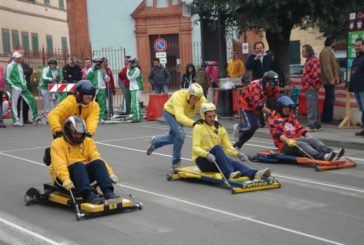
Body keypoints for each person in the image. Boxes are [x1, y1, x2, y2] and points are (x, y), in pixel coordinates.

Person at [49, 116, 118, 204]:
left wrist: (110, 173)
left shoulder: (88, 141)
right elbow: (59, 164)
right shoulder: (57, 143)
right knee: (79, 165)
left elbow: (96, 158)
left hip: (82, 174)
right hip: (64, 178)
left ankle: (108, 192)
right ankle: (88, 195)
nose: (78, 136)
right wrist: (65, 179)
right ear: (68, 132)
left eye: (80, 133)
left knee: (98, 163)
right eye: (75, 133)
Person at [193, 102, 271, 180]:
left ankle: (255, 174)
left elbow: (228, 147)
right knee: (217, 147)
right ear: (204, 116)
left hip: (215, 160)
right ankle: (228, 174)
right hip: (202, 160)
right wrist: (207, 154)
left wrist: (238, 154)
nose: (212, 118)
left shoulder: (220, 128)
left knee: (234, 163)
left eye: (214, 116)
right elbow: (195, 148)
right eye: (209, 116)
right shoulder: (198, 127)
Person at [146, 83, 208, 169]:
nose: (196, 101)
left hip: (183, 116)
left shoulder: (202, 100)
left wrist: (214, 124)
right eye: (194, 99)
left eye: (198, 99)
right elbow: (179, 117)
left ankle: (155, 142)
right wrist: (194, 123)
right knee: (180, 135)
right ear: (189, 95)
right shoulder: (178, 96)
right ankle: (176, 163)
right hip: (170, 113)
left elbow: (209, 111)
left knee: (175, 137)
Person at [268, 96, 344, 161]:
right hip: (284, 144)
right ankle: (323, 156)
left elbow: (300, 128)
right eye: (285, 107)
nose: (287, 109)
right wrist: (288, 140)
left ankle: (332, 152)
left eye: (288, 107)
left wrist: (309, 136)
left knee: (314, 140)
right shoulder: (273, 119)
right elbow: (277, 133)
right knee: (303, 144)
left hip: (296, 138)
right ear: (279, 108)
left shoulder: (291, 116)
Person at [233, 71, 280, 149]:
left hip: (257, 104)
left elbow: (277, 99)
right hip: (246, 104)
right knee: (250, 126)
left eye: (273, 85)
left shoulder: (274, 87)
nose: (271, 87)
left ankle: (238, 145)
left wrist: (281, 110)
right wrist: (272, 113)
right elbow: (258, 105)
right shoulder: (256, 86)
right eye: (270, 84)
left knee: (255, 127)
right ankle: (238, 127)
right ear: (265, 81)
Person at [4, 51, 40, 126]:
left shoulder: (20, 65)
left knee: (31, 98)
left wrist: (24, 83)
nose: (19, 59)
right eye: (17, 58)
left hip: (23, 87)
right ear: (13, 58)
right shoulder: (10, 66)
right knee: (14, 104)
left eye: (19, 57)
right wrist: (13, 85)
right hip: (15, 87)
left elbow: (22, 76)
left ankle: (35, 116)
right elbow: (6, 78)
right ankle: (15, 120)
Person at [319, 37, 340, 124]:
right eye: (335, 41)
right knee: (330, 99)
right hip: (328, 80)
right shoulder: (325, 51)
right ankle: (327, 118)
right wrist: (330, 78)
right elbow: (326, 66)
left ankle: (326, 117)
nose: (335, 43)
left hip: (330, 80)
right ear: (332, 42)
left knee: (330, 98)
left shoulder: (328, 51)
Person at [301, 44, 322, 131]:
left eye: (303, 51)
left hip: (311, 87)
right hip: (310, 86)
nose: (302, 53)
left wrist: (310, 85)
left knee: (311, 106)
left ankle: (312, 124)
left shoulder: (313, 60)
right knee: (313, 105)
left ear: (308, 51)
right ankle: (316, 123)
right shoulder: (309, 60)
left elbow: (316, 74)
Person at [86, 56, 110, 122]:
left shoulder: (102, 69)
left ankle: (101, 117)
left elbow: (108, 80)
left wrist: (105, 74)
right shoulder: (91, 69)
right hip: (93, 88)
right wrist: (92, 70)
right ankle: (91, 116)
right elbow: (87, 76)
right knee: (91, 103)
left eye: (99, 62)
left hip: (101, 88)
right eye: (96, 62)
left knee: (102, 103)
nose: (97, 63)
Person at [350, 38, 364, 137]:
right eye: (355, 46)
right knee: (362, 109)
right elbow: (353, 73)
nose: (357, 47)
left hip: (363, 88)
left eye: (359, 45)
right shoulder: (356, 58)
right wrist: (350, 86)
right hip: (356, 88)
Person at [127, 58, 143, 123]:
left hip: (137, 88)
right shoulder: (133, 70)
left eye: (130, 63)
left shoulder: (136, 70)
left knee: (135, 103)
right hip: (133, 88)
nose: (128, 64)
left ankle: (137, 117)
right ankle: (137, 116)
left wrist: (128, 70)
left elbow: (130, 77)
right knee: (135, 103)